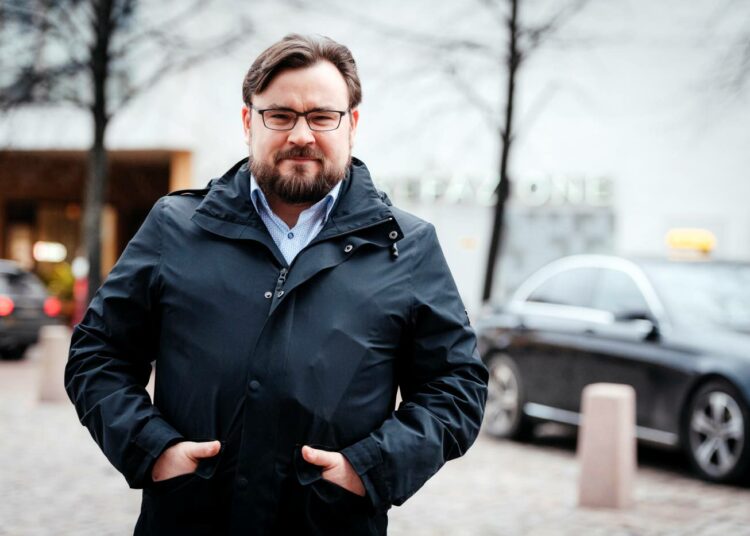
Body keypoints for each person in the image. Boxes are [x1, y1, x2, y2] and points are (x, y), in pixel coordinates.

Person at [65, 33, 488, 536]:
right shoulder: (176, 227)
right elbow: (98, 352)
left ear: (351, 125)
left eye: (322, 116)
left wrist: (371, 469)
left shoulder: (407, 245)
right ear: (249, 122)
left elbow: (456, 386)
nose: (302, 135)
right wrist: (151, 449)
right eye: (280, 116)